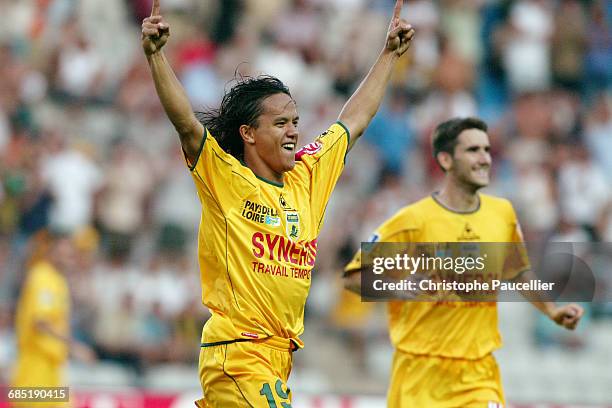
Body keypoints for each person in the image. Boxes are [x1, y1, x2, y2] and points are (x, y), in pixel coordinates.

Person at [141, 0, 415, 406]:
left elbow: (353, 121)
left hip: (278, 359)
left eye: (296, 121)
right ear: (249, 134)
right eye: (280, 123)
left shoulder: (308, 177)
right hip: (238, 351)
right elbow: (186, 123)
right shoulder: (226, 179)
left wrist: (389, 55)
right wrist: (157, 56)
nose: (293, 131)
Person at [343, 117, 584, 407]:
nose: (485, 159)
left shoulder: (502, 213)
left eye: (487, 150)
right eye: (473, 151)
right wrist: (400, 289)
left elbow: (518, 271)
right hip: (421, 377)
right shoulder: (412, 220)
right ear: (445, 159)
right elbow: (354, 277)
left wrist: (551, 310)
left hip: (479, 375)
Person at [11, 230, 95, 408]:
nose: (69, 258)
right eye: (63, 253)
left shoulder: (57, 280)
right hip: (34, 369)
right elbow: (40, 322)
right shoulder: (42, 277)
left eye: (71, 253)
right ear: (50, 251)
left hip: (52, 368)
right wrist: (74, 346)